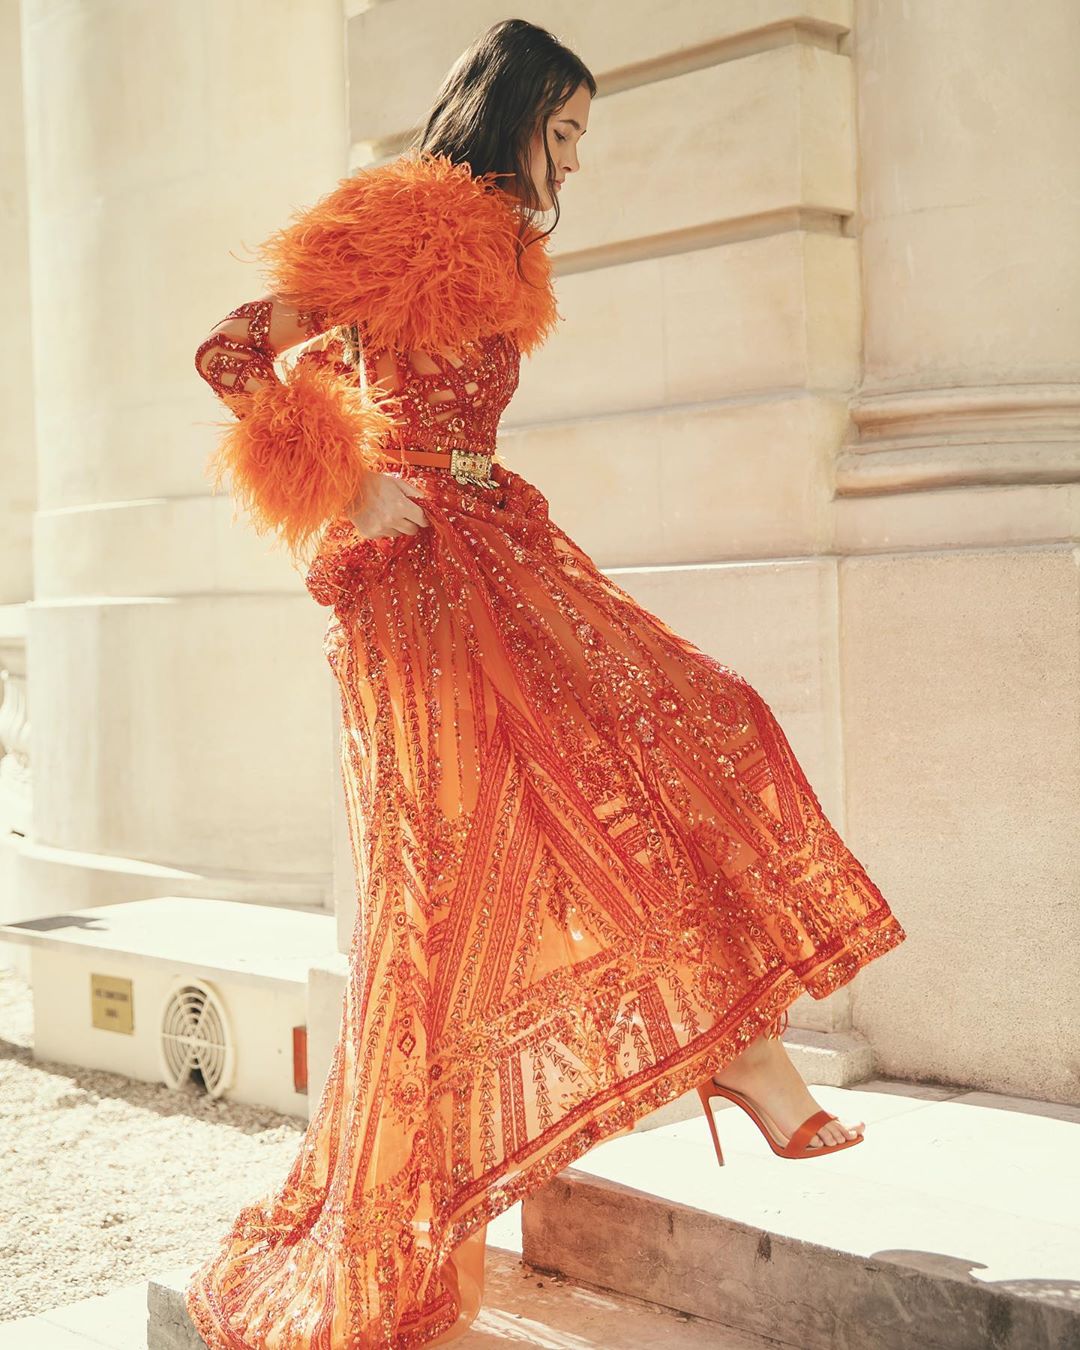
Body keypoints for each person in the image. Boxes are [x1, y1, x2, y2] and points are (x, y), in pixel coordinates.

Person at [184, 18, 907, 1349]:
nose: (573, 159)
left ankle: (735, 1043)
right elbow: (235, 352)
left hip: (498, 547)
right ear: (507, 108)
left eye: (581, 136)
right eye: (562, 130)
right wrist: (348, 480)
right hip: (409, 587)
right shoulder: (393, 214)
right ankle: (418, 1218)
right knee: (442, 877)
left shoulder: (508, 250)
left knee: (689, 724)